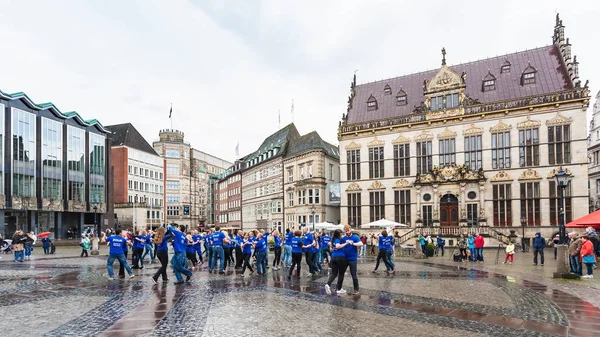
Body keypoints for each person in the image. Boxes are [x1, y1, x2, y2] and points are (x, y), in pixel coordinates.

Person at [325, 229, 349, 295]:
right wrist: (346, 243)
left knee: (334, 273)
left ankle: (328, 284)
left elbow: (331, 248)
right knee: (341, 273)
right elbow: (338, 246)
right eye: (341, 234)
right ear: (339, 234)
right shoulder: (337, 239)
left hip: (333, 257)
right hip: (340, 258)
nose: (342, 235)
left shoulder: (333, 240)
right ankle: (339, 289)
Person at [341, 224, 362, 295]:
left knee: (354, 275)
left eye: (348, 231)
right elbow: (339, 245)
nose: (347, 232)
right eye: (346, 231)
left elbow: (361, 243)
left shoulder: (355, 237)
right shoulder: (343, 238)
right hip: (344, 259)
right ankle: (339, 287)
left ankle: (356, 289)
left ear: (350, 229)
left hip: (353, 259)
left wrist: (352, 243)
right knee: (341, 273)